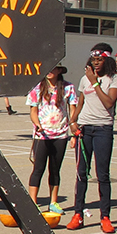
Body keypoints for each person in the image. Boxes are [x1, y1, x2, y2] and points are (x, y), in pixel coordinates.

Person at [67, 43, 117, 233]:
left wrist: (95, 82)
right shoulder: (85, 79)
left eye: (99, 60)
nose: (96, 63)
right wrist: (73, 121)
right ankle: (78, 214)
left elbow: (109, 103)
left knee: (102, 174)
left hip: (102, 129)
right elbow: (81, 103)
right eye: (93, 60)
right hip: (84, 128)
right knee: (81, 173)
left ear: (107, 60)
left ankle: (105, 217)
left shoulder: (114, 79)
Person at [26, 66, 76, 213]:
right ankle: (33, 202)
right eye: (48, 68)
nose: (50, 71)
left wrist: (74, 130)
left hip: (60, 134)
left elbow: (73, 109)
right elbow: (33, 111)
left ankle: (53, 202)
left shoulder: (68, 87)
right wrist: (37, 124)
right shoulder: (36, 88)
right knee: (38, 168)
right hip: (42, 135)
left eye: (54, 68)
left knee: (55, 170)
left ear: (59, 71)